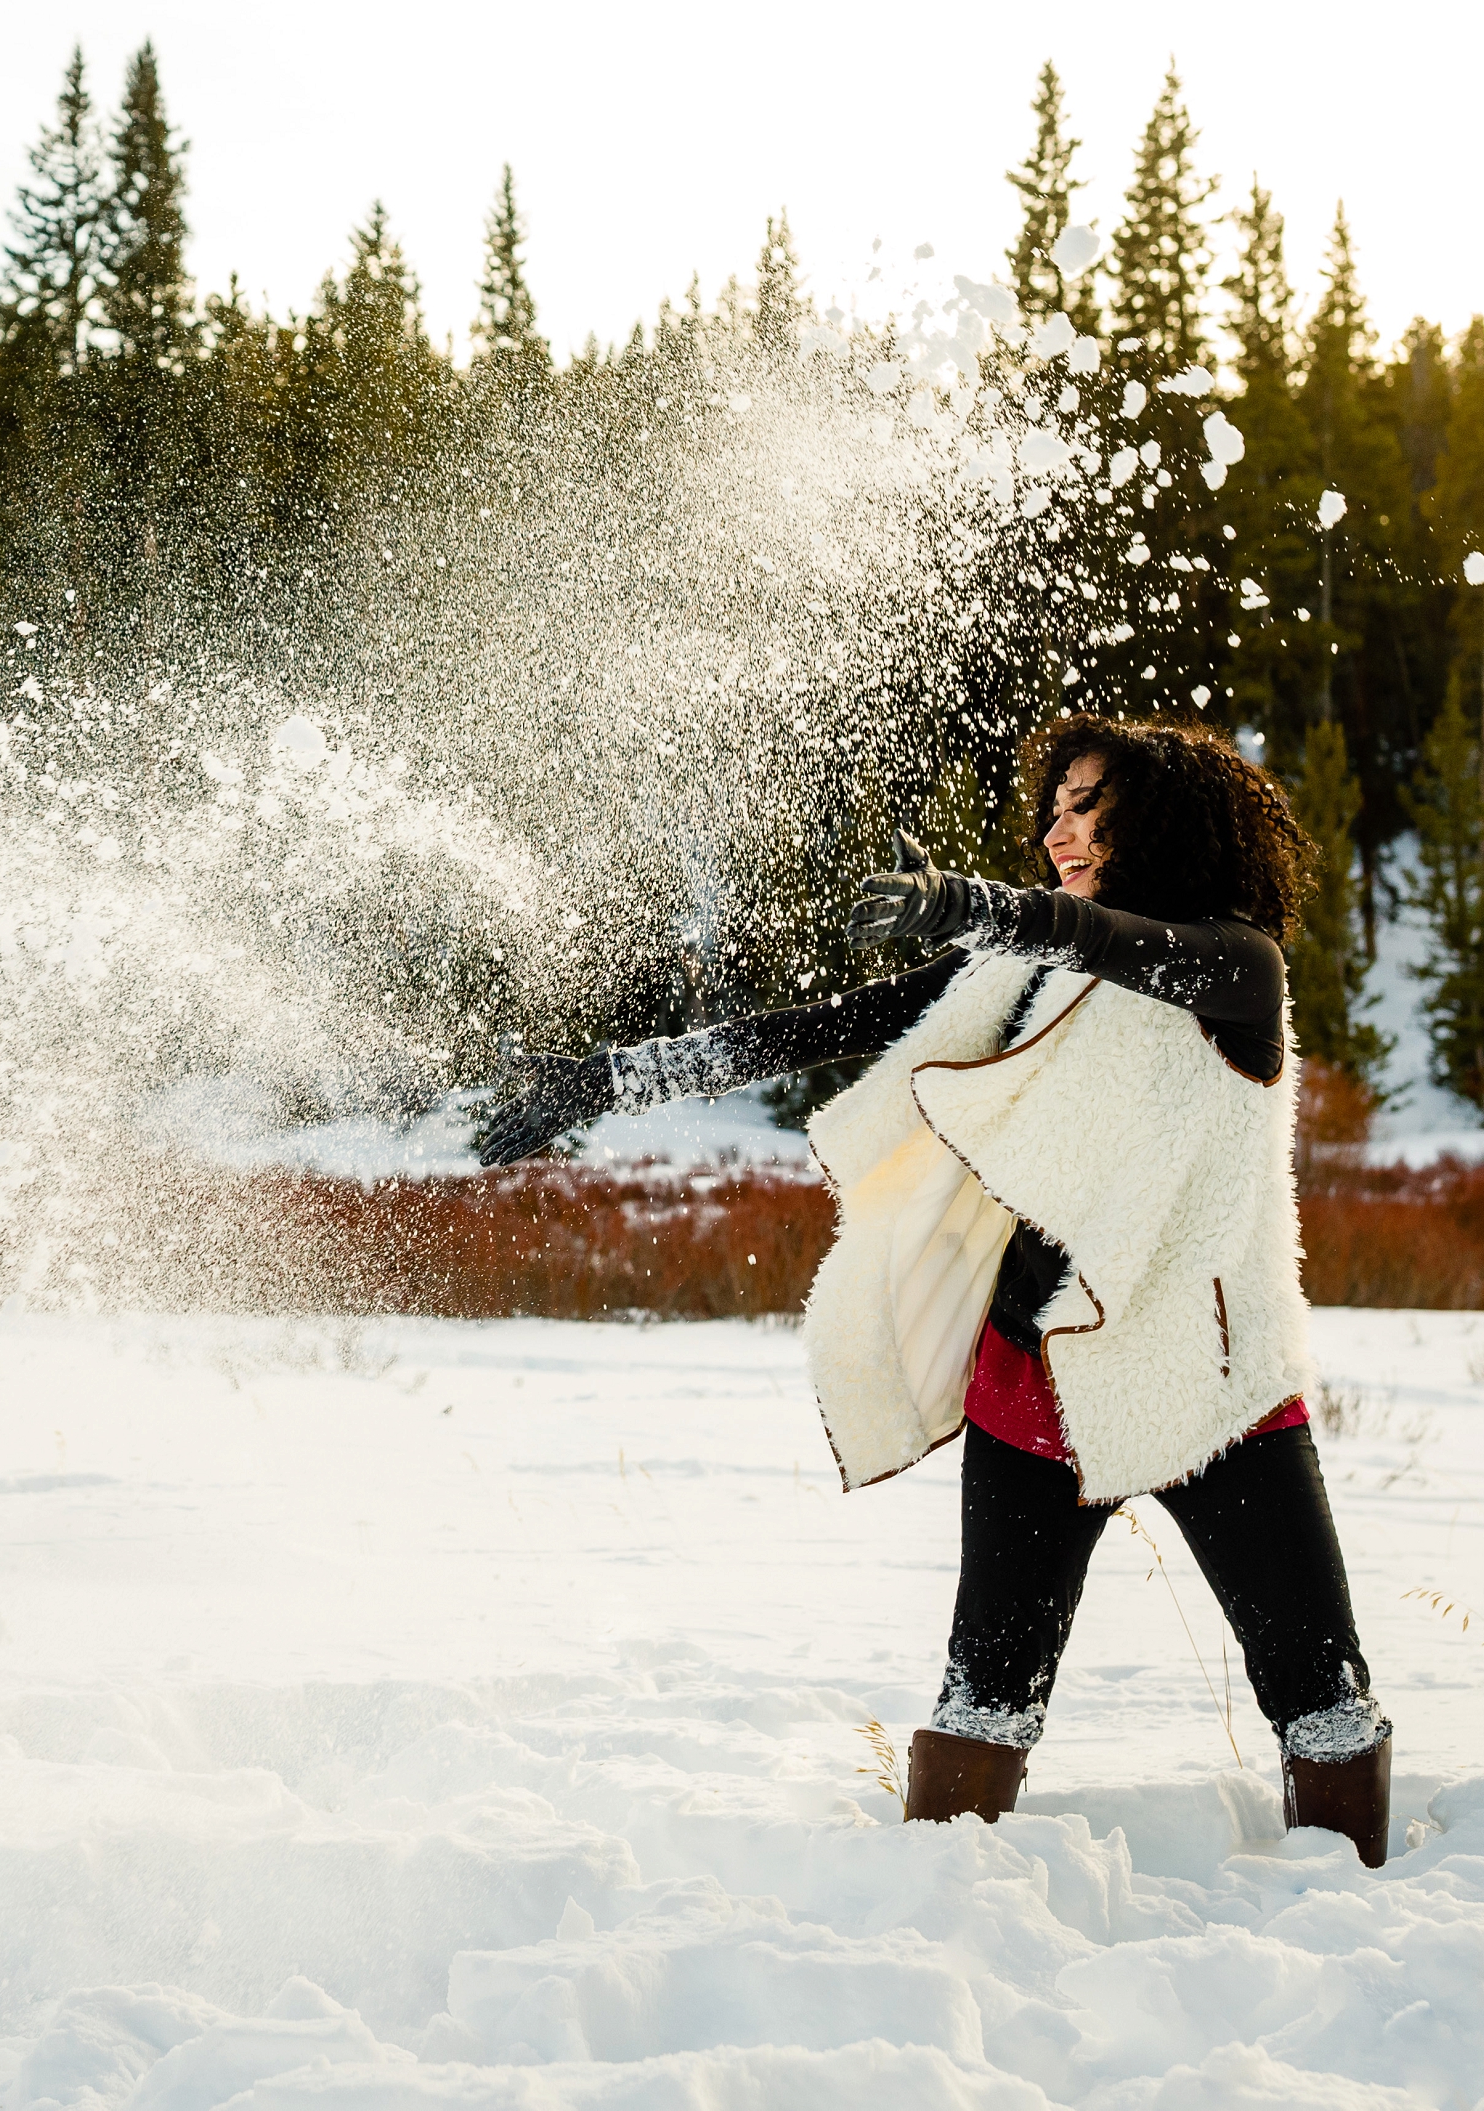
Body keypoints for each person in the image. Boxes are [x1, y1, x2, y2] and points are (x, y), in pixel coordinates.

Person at [477, 714, 1394, 1865]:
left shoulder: (1229, 965)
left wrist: (973, 903)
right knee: (984, 1690)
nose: (1058, 829)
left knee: (1317, 1688)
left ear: (1162, 820)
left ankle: (1358, 1910)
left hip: (1212, 1385)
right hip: (1033, 1379)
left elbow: (1102, 939)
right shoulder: (1016, 972)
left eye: (1089, 806)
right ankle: (942, 1912)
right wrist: (614, 1075)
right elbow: (834, 1025)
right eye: (1052, 804)